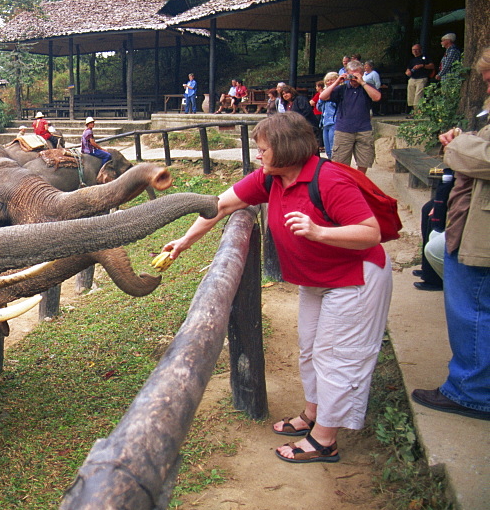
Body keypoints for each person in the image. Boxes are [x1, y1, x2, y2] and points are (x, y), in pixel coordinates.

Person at [163, 112, 392, 462]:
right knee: (310, 350)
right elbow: (221, 205)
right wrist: (184, 242)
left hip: (354, 279)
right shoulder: (271, 179)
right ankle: (314, 414)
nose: (258, 156)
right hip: (315, 279)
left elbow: (369, 232)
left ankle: (325, 439)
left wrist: (318, 232)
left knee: (337, 357)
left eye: (263, 149)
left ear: (285, 151)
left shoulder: (329, 180)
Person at [411, 46, 490, 422]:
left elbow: (483, 158)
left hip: (482, 231)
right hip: (472, 221)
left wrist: (458, 143)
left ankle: (470, 392)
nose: (487, 87)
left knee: (473, 309)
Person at [319, 59, 381, 175]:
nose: (353, 78)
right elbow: (323, 96)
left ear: (362, 73)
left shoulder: (368, 87)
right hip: (343, 130)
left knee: (364, 161)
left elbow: (377, 97)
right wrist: (338, 81)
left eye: (356, 73)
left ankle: (359, 182)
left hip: (364, 129)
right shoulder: (342, 88)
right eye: (351, 74)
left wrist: (362, 82)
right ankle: (345, 185)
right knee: (340, 163)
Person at [405, 44, 435, 112]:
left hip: (422, 78)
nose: (415, 51)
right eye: (413, 50)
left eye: (416, 50)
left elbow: (432, 66)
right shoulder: (412, 60)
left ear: (420, 50)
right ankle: (413, 111)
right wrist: (408, 72)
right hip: (413, 78)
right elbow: (407, 69)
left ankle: (418, 112)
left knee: (419, 95)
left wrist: (422, 65)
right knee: (411, 96)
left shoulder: (425, 57)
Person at [317, 73, 340, 158]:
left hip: (334, 122)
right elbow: (318, 108)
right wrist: (322, 99)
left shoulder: (339, 91)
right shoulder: (324, 93)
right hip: (324, 123)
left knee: (333, 148)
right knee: (327, 149)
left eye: (331, 80)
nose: (329, 82)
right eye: (327, 80)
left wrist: (330, 98)